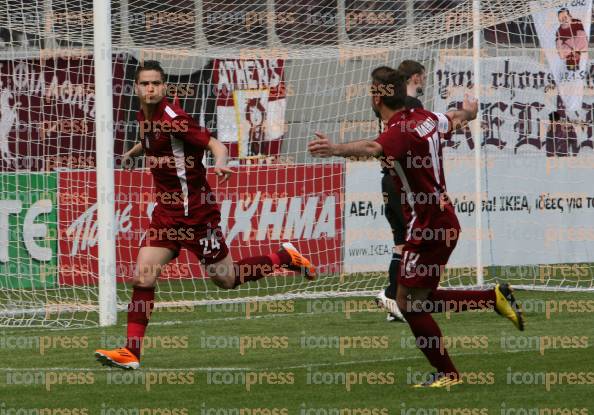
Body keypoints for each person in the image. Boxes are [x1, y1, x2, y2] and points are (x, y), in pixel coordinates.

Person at [308, 69, 524, 388]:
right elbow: (455, 118)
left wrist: (335, 149)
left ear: (378, 97)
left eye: (371, 93)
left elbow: (371, 147)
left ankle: (448, 373)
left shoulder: (399, 130)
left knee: (407, 302)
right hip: (440, 218)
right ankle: (492, 298)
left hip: (427, 223)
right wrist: (470, 111)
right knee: (415, 299)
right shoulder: (424, 117)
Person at [94, 61, 316, 370]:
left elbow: (214, 143)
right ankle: (132, 352)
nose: (150, 88)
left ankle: (284, 257)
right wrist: (133, 153)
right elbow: (153, 140)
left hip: (197, 215)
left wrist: (222, 162)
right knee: (143, 274)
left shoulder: (174, 118)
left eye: (156, 83)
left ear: (164, 86)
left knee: (227, 279)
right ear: (136, 88)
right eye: (145, 84)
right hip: (167, 216)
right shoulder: (143, 117)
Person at [374, 62, 426, 323]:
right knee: (416, 242)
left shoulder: (387, 107)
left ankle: (396, 300)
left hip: (388, 180)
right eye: (422, 78)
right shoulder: (411, 108)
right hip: (403, 182)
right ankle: (396, 296)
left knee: (401, 243)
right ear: (415, 78)